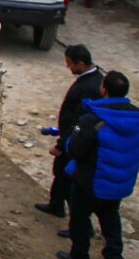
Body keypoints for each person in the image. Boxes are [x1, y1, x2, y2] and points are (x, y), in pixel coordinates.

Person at [58, 71, 139, 259]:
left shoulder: (93, 119)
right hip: (119, 181)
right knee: (110, 216)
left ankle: (79, 256)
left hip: (91, 180)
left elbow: (75, 149)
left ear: (104, 89)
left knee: (80, 217)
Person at [35, 44, 104, 219]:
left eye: (70, 64)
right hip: (71, 138)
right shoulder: (93, 80)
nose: (69, 67)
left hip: (73, 142)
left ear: (81, 63)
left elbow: (78, 121)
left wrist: (61, 144)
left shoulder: (89, 87)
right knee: (61, 174)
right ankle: (56, 205)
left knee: (66, 178)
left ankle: (77, 221)